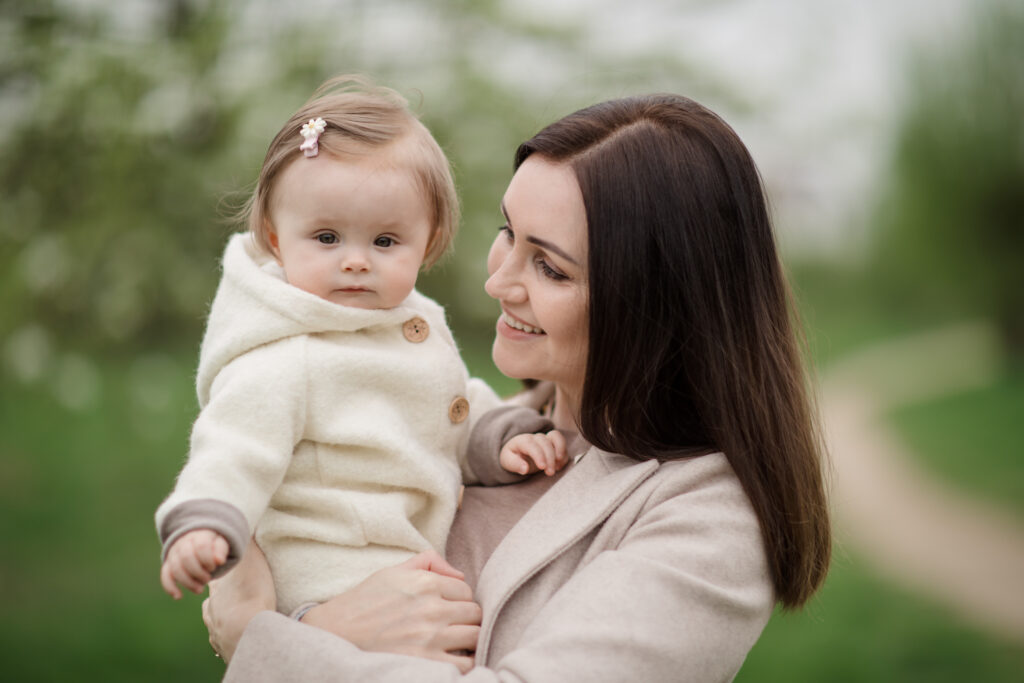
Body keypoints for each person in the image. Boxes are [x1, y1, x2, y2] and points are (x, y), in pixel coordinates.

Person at [204, 92, 832, 681]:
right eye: (508, 233)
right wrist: (317, 623)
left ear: (655, 303)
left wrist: (264, 641)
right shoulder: (477, 426)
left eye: (550, 267)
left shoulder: (707, 522)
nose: (498, 283)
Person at [155, 76, 567, 616]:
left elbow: (437, 411)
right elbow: (233, 445)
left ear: (429, 242)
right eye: (326, 238)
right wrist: (204, 522)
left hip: (400, 566)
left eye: (385, 241)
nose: (355, 260)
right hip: (332, 578)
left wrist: (499, 438)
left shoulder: (400, 321)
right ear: (276, 239)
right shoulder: (287, 354)